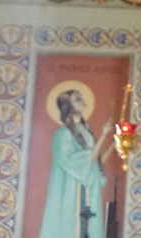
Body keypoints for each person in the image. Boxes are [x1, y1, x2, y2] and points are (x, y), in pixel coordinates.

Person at [39, 89, 115, 238]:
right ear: (68, 106)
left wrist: (115, 143)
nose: (81, 100)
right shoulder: (63, 134)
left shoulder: (84, 131)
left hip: (87, 191)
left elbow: (95, 162)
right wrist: (104, 135)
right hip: (72, 193)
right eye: (76, 99)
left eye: (80, 98)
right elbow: (84, 163)